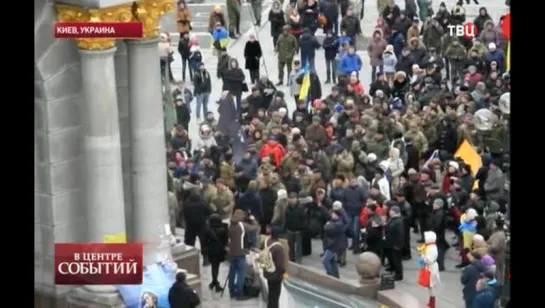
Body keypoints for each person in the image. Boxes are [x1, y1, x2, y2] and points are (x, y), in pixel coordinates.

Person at [228, 209, 259, 299]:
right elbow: (255, 227)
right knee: (241, 273)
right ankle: (240, 293)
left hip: (232, 253)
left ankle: (232, 292)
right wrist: (253, 219)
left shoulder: (230, 224)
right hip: (241, 253)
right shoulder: (241, 225)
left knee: (232, 273)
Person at [263, 225, 287, 308]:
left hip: (268, 272)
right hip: (276, 275)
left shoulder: (267, 241)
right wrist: (284, 273)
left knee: (271, 294)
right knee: (275, 296)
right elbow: (281, 265)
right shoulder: (278, 248)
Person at [204, 214, 228, 292]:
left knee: (213, 267)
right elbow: (225, 241)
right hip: (219, 251)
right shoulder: (223, 230)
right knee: (216, 267)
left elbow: (204, 241)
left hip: (211, 251)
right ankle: (215, 283)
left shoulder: (207, 230)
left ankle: (214, 281)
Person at [417, 231, 441, 308]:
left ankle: (432, 303)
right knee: (430, 285)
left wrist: (422, 256)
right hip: (431, 267)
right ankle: (431, 301)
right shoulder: (430, 246)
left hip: (431, 268)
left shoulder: (431, 248)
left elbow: (429, 260)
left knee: (431, 285)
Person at [322, 211, 344, 278]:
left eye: (334, 214)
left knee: (325, 260)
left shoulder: (339, 223)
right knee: (332, 261)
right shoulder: (333, 222)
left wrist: (327, 224)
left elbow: (327, 228)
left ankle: (330, 275)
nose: (332, 215)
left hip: (333, 245)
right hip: (329, 244)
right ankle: (336, 276)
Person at [384, 205, 404, 280]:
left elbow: (400, 234)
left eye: (391, 211)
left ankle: (399, 275)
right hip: (390, 243)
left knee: (396, 260)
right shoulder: (392, 219)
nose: (389, 212)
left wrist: (398, 245)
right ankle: (392, 268)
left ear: (394, 212)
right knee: (391, 258)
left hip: (395, 244)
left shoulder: (398, 221)